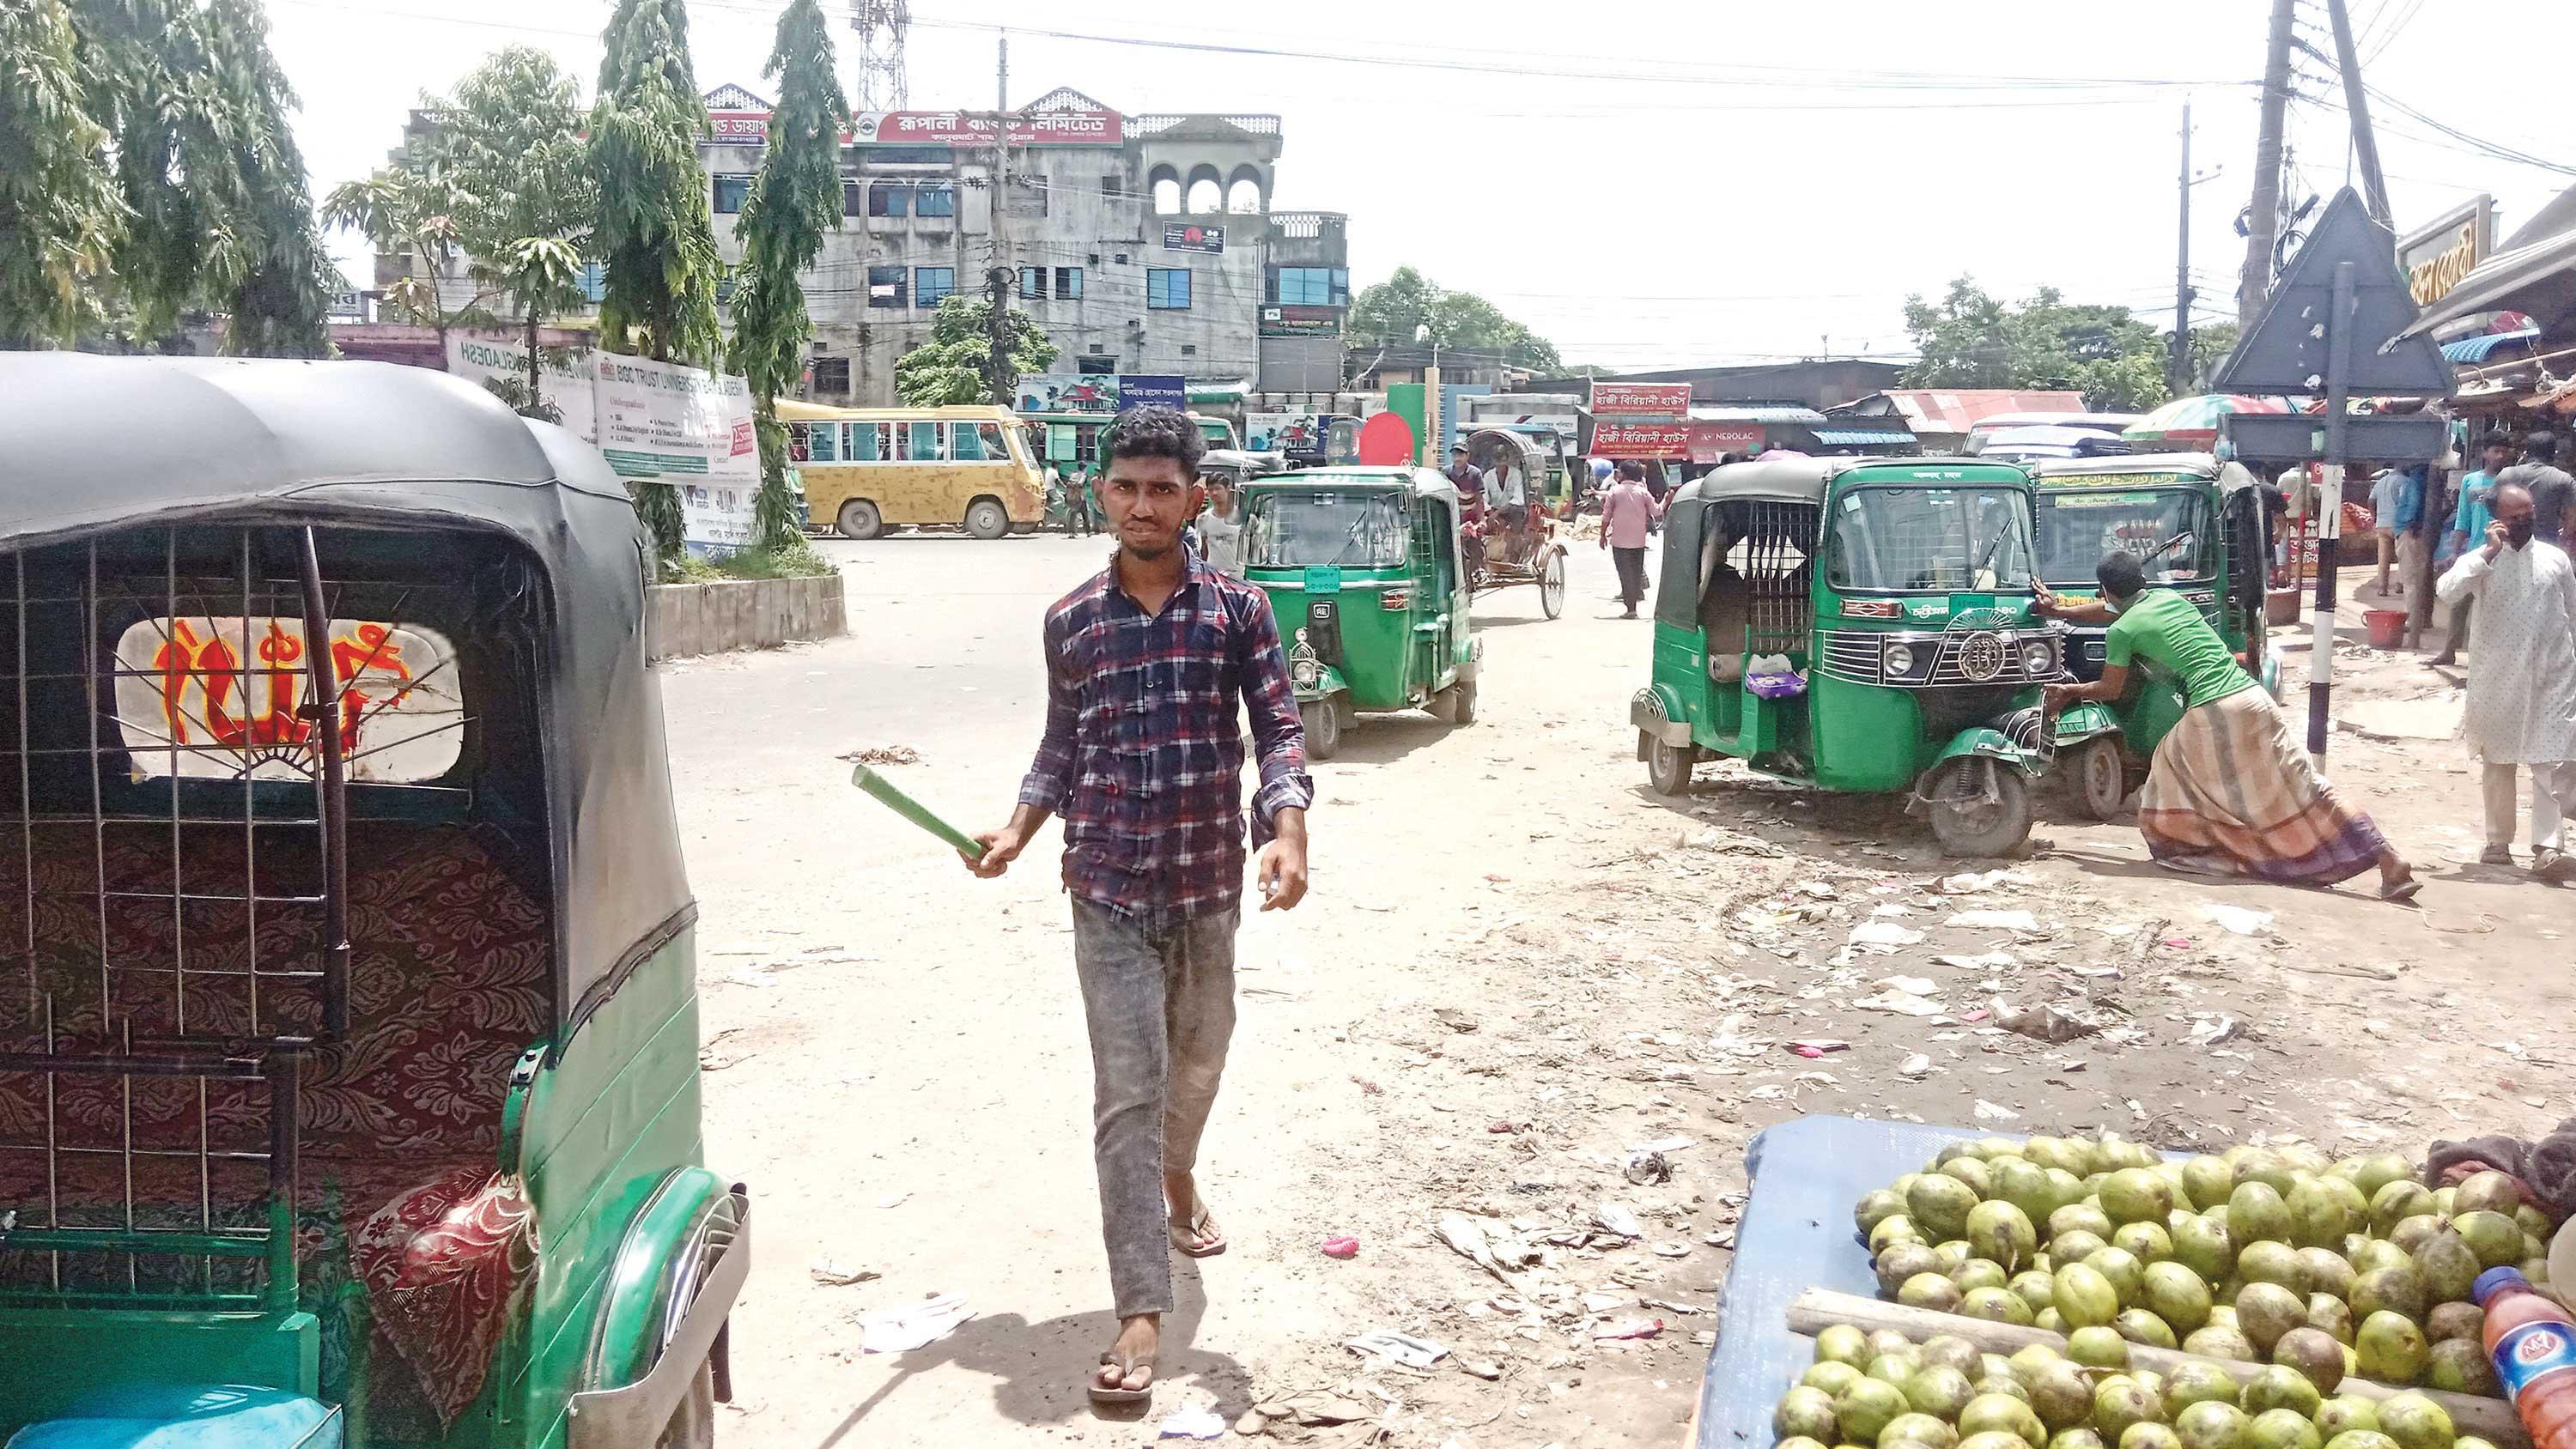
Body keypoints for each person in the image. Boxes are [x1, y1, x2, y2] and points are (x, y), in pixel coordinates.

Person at [963, 407, 1313, 1406]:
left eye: (1164, 488)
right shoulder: (1072, 621)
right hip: (1108, 887)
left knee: (1197, 1064)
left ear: (1197, 496)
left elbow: (1279, 730)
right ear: (1103, 491)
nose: (1144, 505)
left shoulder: (1239, 611)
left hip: (1207, 887)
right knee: (1127, 1092)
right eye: (1127, 487)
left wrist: (1284, 828)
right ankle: (1140, 1307)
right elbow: (1060, 746)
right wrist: (1020, 828)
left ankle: (1181, 1181)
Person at [2039, 552, 2420, 900]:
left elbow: (2110, 688)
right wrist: (2060, 611)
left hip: (2215, 708)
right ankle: (2389, 860)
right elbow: (2114, 612)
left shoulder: (2123, 632)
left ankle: (2205, 851)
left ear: (2106, 590)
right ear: (2142, 581)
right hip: (2254, 698)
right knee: (2306, 784)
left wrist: (2068, 692)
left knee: (2169, 771)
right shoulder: (2169, 600)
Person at [2434, 482, 2576, 880]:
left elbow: (2572, 611)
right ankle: (2498, 842)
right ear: (2497, 517)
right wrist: (2488, 551)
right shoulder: (2481, 560)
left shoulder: (2555, 559)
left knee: (2548, 761)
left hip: (2553, 676)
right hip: (2497, 679)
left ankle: (2548, 847)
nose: (2524, 521)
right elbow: (2447, 592)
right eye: (2515, 516)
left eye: (2528, 513)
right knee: (2499, 761)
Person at [2433, 435, 2516, 666]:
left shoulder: (2512, 481)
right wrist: (2454, 551)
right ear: (2485, 453)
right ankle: (2449, 650)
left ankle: (2493, 657)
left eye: (2504, 451)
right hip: (2475, 551)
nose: (2500, 456)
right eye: (2496, 451)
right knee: (2459, 601)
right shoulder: (2470, 481)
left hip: (2504, 553)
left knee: (2496, 606)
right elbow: (2463, 518)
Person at [1599, 461, 1659, 617]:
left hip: (1619, 540)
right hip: (1639, 541)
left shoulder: (1615, 492)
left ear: (1623, 474)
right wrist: (1666, 500)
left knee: (1624, 573)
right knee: (1635, 572)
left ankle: (1630, 608)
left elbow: (1606, 516)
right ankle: (1633, 606)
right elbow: (1656, 511)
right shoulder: (1643, 492)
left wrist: (1602, 535)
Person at [2498, 430, 2576, 549]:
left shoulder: (2507, 474)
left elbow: (2490, 501)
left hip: (2510, 543)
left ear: (2527, 452)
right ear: (2554, 453)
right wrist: (2563, 539)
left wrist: (2506, 520)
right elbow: (2572, 516)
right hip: (2548, 544)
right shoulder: (2563, 479)